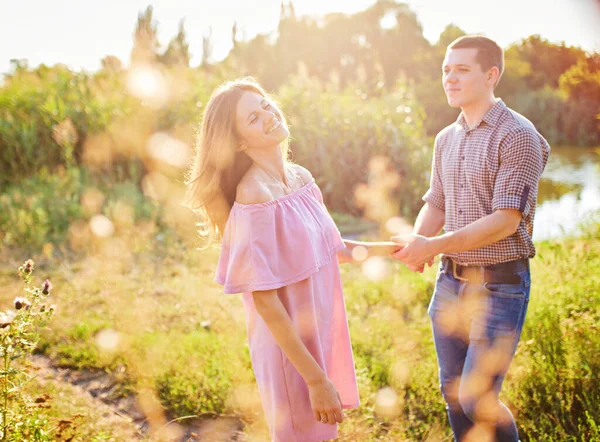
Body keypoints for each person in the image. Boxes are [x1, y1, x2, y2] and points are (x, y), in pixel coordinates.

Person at [184, 78, 399, 442]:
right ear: (238, 142)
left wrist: (394, 249)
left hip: (321, 332)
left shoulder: (301, 178)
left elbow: (331, 247)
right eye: (253, 118)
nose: (269, 115)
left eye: (265, 104)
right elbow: (265, 302)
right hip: (290, 354)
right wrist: (315, 380)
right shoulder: (253, 198)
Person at [391, 36, 550, 441]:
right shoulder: (446, 138)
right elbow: (437, 204)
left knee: (476, 399)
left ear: (491, 75)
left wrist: (434, 245)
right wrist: (416, 241)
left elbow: (505, 221)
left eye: (462, 69)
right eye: (446, 69)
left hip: (499, 286)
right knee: (453, 396)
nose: (450, 78)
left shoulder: (518, 135)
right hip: (450, 284)